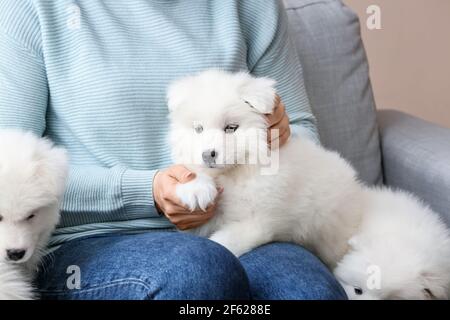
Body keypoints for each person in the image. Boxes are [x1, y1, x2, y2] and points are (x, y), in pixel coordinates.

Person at [0, 0, 346, 299]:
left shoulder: (250, 5)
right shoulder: (32, 8)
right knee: (197, 275)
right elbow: (8, 180)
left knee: (309, 292)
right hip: (92, 238)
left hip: (240, 222)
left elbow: (300, 133)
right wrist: (147, 191)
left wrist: (266, 152)